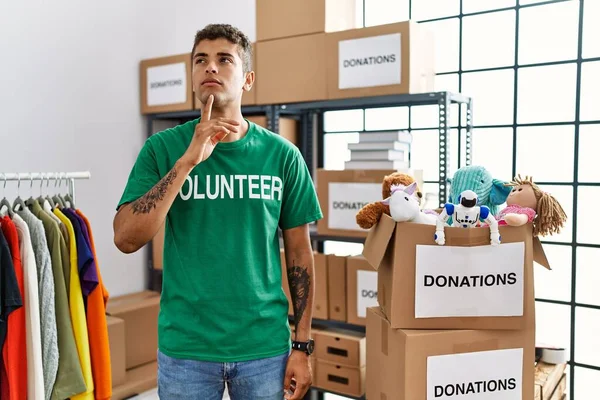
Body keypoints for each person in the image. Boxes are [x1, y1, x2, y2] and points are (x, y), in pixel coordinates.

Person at [113, 23, 323, 400]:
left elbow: (299, 253)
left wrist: (303, 345)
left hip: (264, 348)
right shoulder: (162, 149)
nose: (210, 67)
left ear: (247, 79)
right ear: (192, 76)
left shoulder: (282, 155)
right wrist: (187, 163)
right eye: (201, 60)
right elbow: (126, 238)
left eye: (224, 59)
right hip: (186, 349)